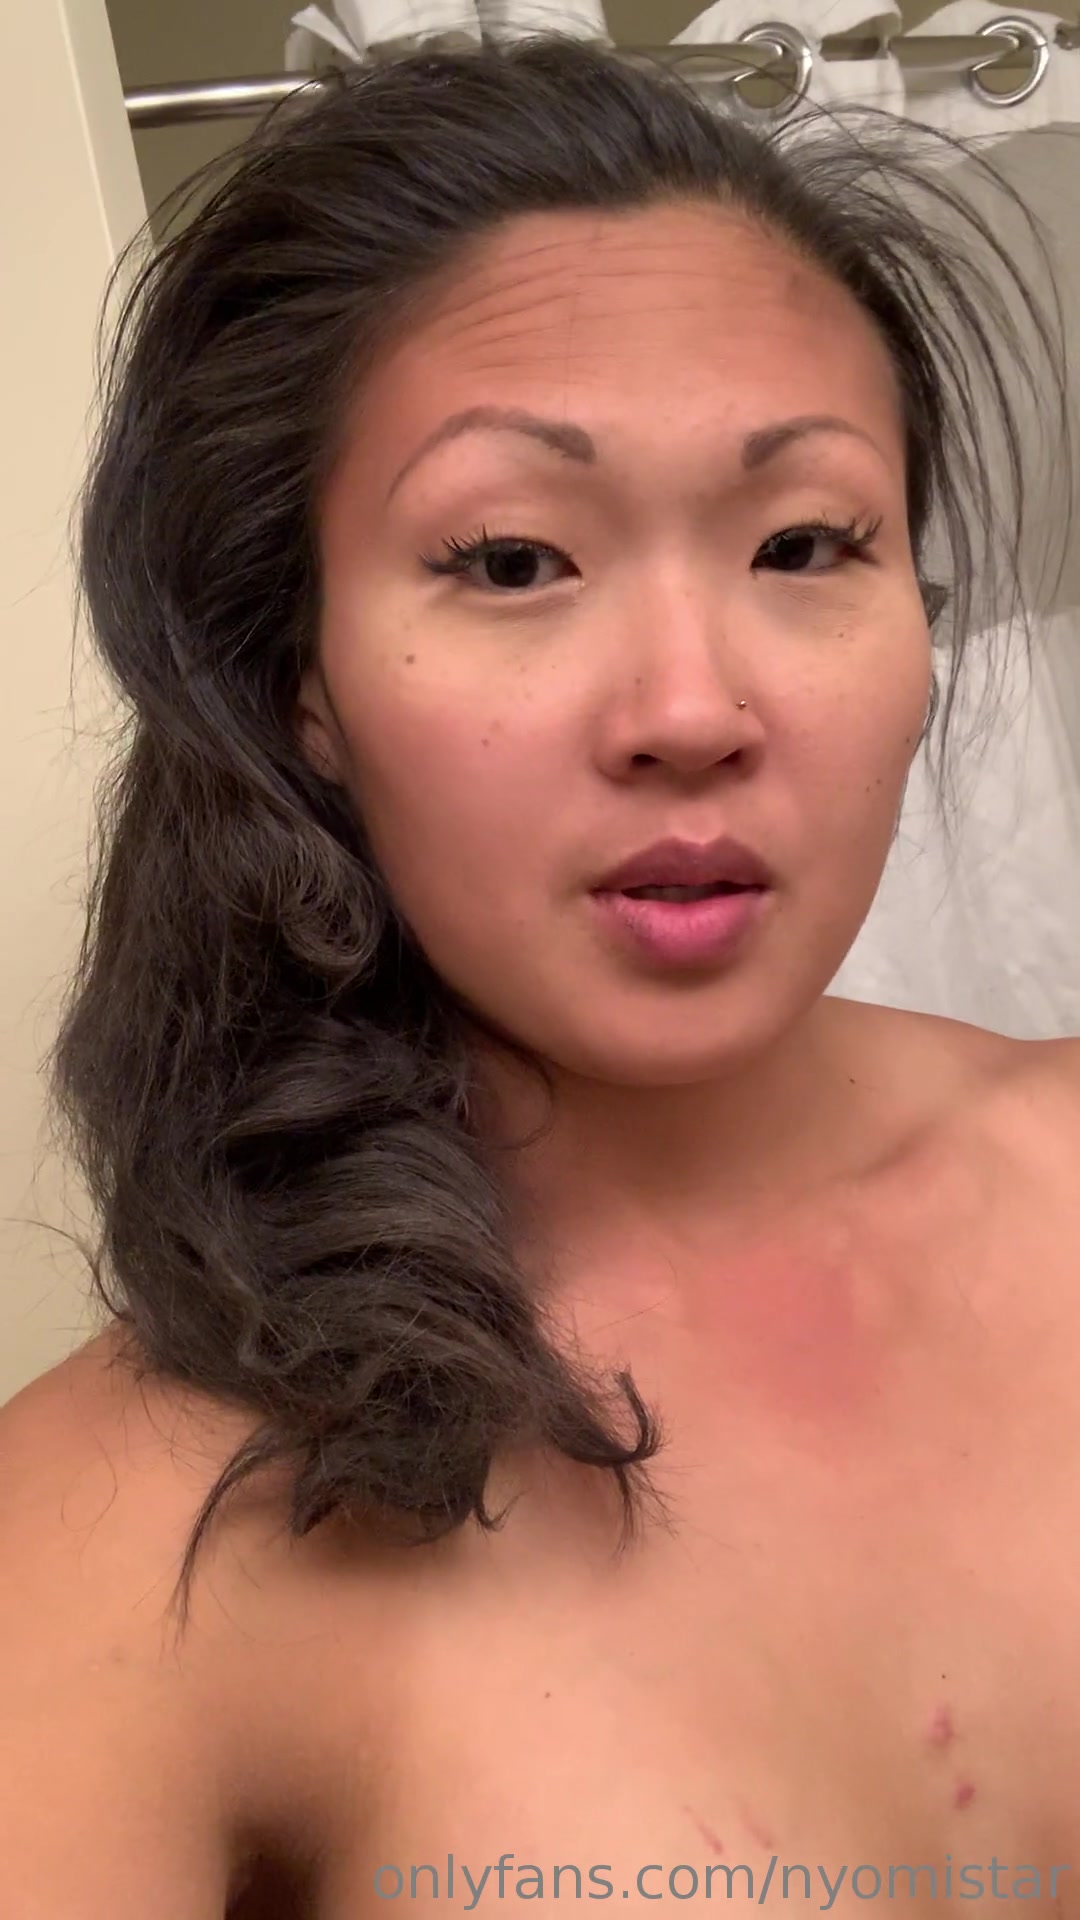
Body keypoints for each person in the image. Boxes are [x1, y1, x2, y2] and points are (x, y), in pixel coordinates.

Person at [1, 32, 1077, 1918]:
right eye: (511, 562)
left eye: (805, 543)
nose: (693, 708)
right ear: (299, 683)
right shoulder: (121, 1536)